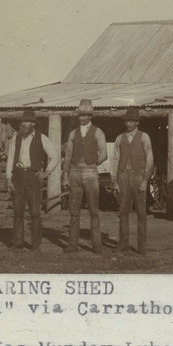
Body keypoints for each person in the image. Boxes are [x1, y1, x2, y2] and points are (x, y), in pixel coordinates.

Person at [5, 110, 59, 252]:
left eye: (26, 121)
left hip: (33, 177)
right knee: (18, 212)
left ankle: (36, 245)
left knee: (35, 213)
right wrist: (8, 178)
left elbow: (54, 155)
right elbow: (10, 158)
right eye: (22, 121)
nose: (23, 124)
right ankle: (18, 243)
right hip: (17, 177)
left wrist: (46, 172)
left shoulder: (41, 138)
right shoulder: (16, 138)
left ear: (33, 123)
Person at [62, 99, 108, 254]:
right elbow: (68, 155)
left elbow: (104, 154)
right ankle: (72, 244)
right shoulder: (73, 133)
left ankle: (96, 245)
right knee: (74, 211)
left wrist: (92, 164)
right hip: (74, 172)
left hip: (90, 173)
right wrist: (65, 175)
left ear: (90, 116)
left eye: (84, 115)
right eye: (80, 115)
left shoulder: (98, 132)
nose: (81, 118)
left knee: (93, 211)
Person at [111, 107, 154, 254]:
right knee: (123, 212)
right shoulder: (119, 138)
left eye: (132, 121)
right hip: (123, 176)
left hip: (138, 176)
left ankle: (141, 245)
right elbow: (115, 160)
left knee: (141, 213)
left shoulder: (144, 137)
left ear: (137, 123)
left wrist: (145, 180)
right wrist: (114, 181)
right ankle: (123, 244)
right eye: (127, 121)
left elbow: (149, 158)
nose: (128, 123)